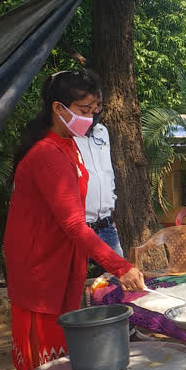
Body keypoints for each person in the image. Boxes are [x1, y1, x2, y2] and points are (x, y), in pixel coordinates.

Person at [4, 70, 146, 370]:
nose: (91, 116)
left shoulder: (68, 145)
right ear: (58, 108)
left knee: (64, 336)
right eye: (84, 108)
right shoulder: (48, 154)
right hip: (39, 262)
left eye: (94, 109)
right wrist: (120, 266)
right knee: (47, 342)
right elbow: (72, 223)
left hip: (61, 256)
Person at [75, 104, 124, 259]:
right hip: (80, 227)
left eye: (99, 105)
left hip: (106, 225)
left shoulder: (102, 132)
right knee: (75, 279)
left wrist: (111, 207)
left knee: (120, 276)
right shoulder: (67, 136)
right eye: (88, 107)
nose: (95, 111)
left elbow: (107, 172)